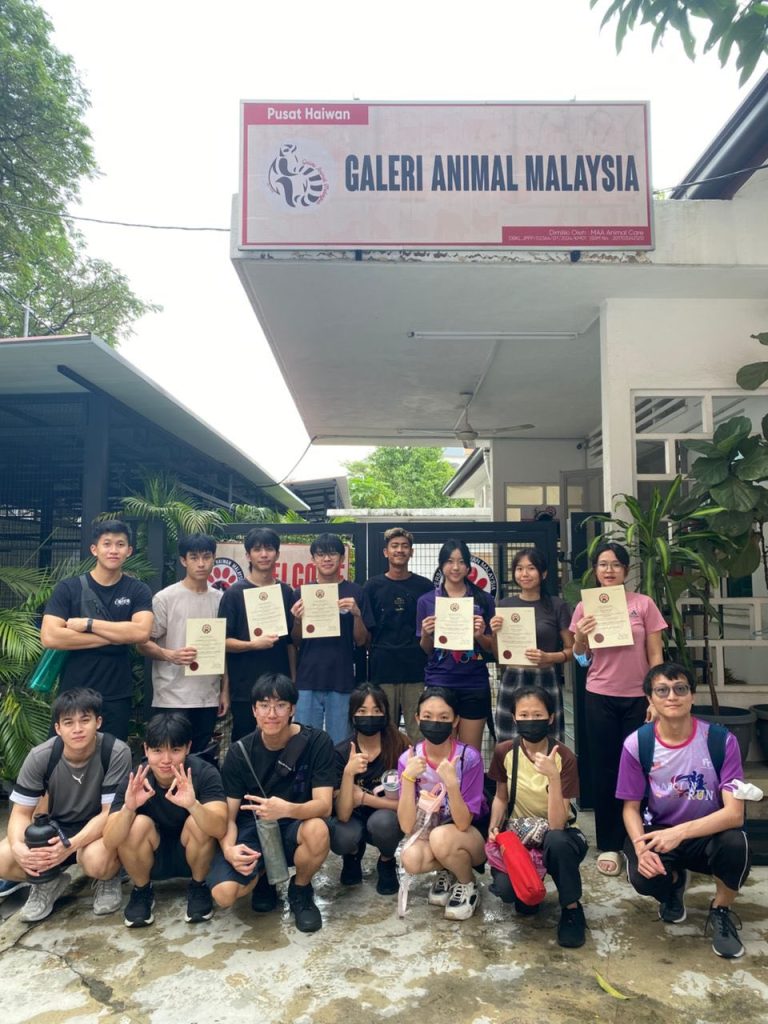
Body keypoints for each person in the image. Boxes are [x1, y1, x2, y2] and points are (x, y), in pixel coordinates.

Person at [617, 663, 752, 959]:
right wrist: (641, 849)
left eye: (680, 689)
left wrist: (680, 833)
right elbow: (630, 808)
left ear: (692, 695)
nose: (672, 696)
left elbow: (734, 814)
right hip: (660, 830)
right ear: (650, 699)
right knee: (643, 874)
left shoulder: (720, 741)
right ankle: (674, 885)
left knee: (736, 844)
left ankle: (721, 909)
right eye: (662, 690)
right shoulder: (638, 744)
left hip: (708, 833)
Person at [207, 673, 335, 932]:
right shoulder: (239, 752)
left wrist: (287, 809)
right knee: (224, 894)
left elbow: (324, 805)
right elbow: (228, 816)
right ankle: (263, 876)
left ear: (292, 709)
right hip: (254, 829)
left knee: (318, 830)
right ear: (254, 711)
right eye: (264, 705)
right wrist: (229, 849)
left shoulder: (317, 742)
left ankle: (300, 889)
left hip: (296, 825)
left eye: (280, 705)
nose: (272, 714)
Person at [569, 541, 666, 875]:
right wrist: (580, 637)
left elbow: (656, 655)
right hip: (600, 696)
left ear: (625, 570)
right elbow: (581, 658)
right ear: (595, 570)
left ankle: (641, 841)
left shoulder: (643, 604)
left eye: (615, 564)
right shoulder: (585, 607)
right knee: (606, 769)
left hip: (639, 698)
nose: (608, 570)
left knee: (642, 768)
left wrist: (656, 697)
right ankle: (609, 843)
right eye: (602, 564)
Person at [0, 688, 131, 922]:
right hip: (55, 830)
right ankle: (48, 882)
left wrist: (70, 846)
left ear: (98, 722)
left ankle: (107, 878)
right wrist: (19, 846)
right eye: (69, 722)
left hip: (97, 831)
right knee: (4, 857)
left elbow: (109, 813)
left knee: (98, 861)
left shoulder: (115, 752)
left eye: (85, 720)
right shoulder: (41, 756)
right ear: (58, 728)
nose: (77, 729)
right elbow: (20, 813)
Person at [103, 712, 228, 928]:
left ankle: (199, 886)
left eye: (175, 750)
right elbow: (110, 841)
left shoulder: (204, 773)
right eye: (158, 751)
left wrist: (193, 805)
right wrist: (129, 808)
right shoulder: (136, 780)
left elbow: (220, 828)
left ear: (188, 748)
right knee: (135, 825)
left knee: (198, 822)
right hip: (151, 859)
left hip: (195, 856)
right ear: (146, 750)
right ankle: (142, 890)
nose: (166, 760)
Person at [487, 684, 588, 948]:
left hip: (560, 836)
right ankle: (532, 888)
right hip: (519, 835)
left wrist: (553, 777)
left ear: (551, 718)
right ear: (514, 717)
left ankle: (572, 908)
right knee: (512, 895)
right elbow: (500, 797)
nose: (530, 720)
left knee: (557, 840)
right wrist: (493, 828)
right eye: (524, 715)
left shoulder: (564, 756)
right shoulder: (505, 752)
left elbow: (557, 823)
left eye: (538, 715)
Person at [40, 519, 153, 740]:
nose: (113, 550)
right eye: (107, 543)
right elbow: (50, 636)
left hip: (116, 693)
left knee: (112, 753)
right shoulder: (69, 588)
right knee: (66, 753)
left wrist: (88, 624)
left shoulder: (138, 590)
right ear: (94, 549)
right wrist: (117, 636)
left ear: (129, 551)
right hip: (73, 692)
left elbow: (141, 633)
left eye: (120, 544)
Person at [397, 687, 486, 921]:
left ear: (455, 721)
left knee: (441, 838)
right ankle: (448, 869)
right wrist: (407, 778)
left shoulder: (468, 758)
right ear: (417, 718)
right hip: (429, 832)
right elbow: (406, 826)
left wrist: (452, 784)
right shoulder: (409, 759)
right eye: (427, 716)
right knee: (410, 858)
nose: (435, 723)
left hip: (470, 837)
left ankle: (467, 883)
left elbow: (463, 823)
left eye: (444, 717)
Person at [139, 534, 229, 753]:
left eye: (206, 557)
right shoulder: (165, 598)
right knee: (170, 756)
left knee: (199, 758)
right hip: (171, 697)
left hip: (207, 696)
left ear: (214, 558)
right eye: (194, 557)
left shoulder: (221, 599)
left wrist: (224, 690)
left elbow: (223, 649)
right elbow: (142, 643)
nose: (201, 563)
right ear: (183, 560)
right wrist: (170, 655)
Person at [291, 533, 374, 744]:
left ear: (342, 558)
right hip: (308, 678)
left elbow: (362, 641)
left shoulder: (356, 592)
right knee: (304, 743)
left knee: (340, 744)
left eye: (332, 553)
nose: (327, 559)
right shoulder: (301, 593)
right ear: (313, 559)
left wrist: (357, 615)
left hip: (342, 678)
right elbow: (296, 642)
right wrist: (298, 620)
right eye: (321, 554)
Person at [416, 539, 495, 751]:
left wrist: (480, 635)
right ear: (441, 565)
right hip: (440, 682)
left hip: (474, 683)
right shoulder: (426, 601)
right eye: (450, 561)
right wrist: (426, 634)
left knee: (470, 752)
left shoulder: (483, 600)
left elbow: (490, 647)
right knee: (442, 751)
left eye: (461, 562)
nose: (456, 567)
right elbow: (426, 649)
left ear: (468, 567)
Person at [330, 683, 409, 895]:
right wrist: (348, 773)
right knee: (341, 835)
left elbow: (410, 804)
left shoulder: (401, 747)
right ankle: (353, 854)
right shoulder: (340, 752)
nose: (370, 717)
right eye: (362, 711)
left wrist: (365, 799)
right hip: (352, 819)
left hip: (387, 819)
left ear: (386, 714)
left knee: (383, 823)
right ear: (352, 715)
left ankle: (386, 860)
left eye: (376, 711)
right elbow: (343, 814)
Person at [218, 527, 296, 743]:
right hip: (244, 688)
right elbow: (222, 642)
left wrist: (293, 680)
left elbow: (290, 643)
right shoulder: (233, 594)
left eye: (269, 549)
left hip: (280, 686)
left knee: (281, 743)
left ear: (277, 554)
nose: (264, 554)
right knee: (245, 744)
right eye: (257, 549)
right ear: (248, 555)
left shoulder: (286, 592)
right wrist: (253, 644)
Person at [491, 548, 573, 742]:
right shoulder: (504, 605)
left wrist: (550, 657)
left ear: (543, 573)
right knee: (508, 740)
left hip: (545, 676)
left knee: (549, 738)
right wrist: (494, 633)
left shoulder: (557, 605)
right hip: (513, 677)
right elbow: (499, 656)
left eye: (531, 568)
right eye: (519, 568)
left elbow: (572, 650)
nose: (524, 574)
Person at [363, 527, 433, 743]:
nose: (399, 550)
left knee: (419, 730)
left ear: (411, 552)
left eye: (404, 546)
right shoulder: (372, 586)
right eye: (394, 546)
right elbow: (367, 633)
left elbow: (431, 631)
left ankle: (419, 766)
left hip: (415, 669)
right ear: (386, 552)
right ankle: (388, 767)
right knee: (386, 731)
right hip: (383, 670)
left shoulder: (425, 587)